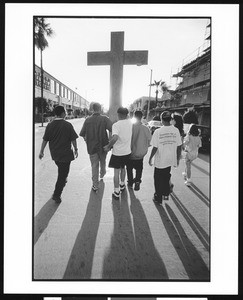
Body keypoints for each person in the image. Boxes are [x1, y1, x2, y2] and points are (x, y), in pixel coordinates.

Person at [39, 105, 79, 203]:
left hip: (55, 155)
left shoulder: (50, 125)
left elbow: (45, 139)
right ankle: (57, 194)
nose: (65, 113)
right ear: (62, 113)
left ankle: (63, 180)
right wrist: (76, 149)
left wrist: (41, 151)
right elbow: (73, 139)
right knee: (62, 175)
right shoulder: (67, 125)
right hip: (65, 155)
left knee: (62, 171)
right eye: (65, 111)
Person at [148, 111, 182, 205]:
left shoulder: (158, 131)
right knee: (166, 176)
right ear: (170, 119)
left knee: (158, 179)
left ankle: (158, 198)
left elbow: (155, 147)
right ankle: (166, 194)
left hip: (160, 160)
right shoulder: (176, 130)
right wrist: (178, 159)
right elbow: (179, 146)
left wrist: (150, 158)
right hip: (170, 159)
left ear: (162, 120)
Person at [79, 102, 112, 192]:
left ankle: (95, 185)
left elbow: (82, 134)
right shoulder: (105, 119)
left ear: (92, 109)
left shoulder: (88, 120)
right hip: (103, 146)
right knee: (103, 161)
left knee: (94, 165)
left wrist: (87, 140)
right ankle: (102, 173)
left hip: (92, 147)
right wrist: (109, 141)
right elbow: (112, 129)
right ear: (100, 109)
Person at [103, 107, 133, 200]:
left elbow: (115, 138)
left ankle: (116, 192)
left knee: (116, 172)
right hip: (127, 152)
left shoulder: (116, 125)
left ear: (118, 114)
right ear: (127, 114)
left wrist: (108, 146)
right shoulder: (130, 123)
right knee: (123, 168)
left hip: (118, 153)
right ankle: (122, 185)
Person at [126, 110, 151, 191]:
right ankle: (137, 181)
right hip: (140, 154)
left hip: (129, 153)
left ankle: (130, 182)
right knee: (139, 168)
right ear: (142, 117)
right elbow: (149, 142)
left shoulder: (129, 127)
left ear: (134, 116)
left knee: (129, 169)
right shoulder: (146, 128)